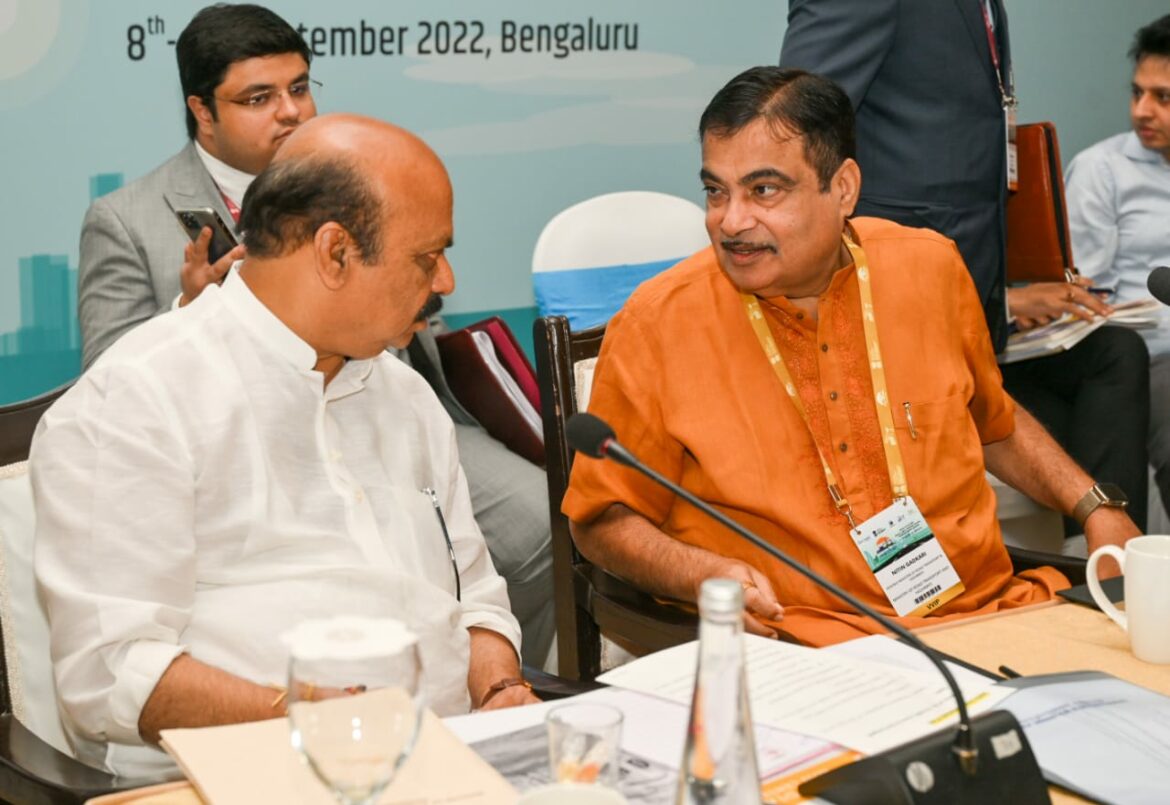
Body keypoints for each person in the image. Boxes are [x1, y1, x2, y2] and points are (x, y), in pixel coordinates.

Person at [34, 113, 540, 777]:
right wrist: (313, 715)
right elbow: (112, 672)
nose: (445, 280)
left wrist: (499, 689)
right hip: (243, 772)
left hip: (450, 760)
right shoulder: (138, 400)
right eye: (427, 256)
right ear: (334, 253)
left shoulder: (404, 395)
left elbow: (474, 597)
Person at [562, 67, 1139, 647]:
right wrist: (699, 575)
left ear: (842, 188)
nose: (731, 222)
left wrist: (1096, 507)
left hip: (987, 612)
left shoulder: (930, 268)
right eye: (716, 191)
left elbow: (994, 426)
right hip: (805, 643)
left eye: (764, 190)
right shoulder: (659, 322)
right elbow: (599, 521)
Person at [76, 3, 553, 667]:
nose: (290, 112)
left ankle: (472, 669)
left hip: (388, 408)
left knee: (545, 525)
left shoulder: (361, 169)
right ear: (202, 111)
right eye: (259, 98)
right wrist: (192, 307)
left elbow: (417, 302)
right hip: (247, 435)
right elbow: (107, 373)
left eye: (299, 88)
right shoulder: (125, 219)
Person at [779, 0, 1151, 536]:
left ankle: (1107, 556)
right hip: (887, 318)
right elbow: (795, 131)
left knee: (1113, 354)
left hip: (976, 308)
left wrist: (1004, 301)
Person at [1065, 13, 1170, 513]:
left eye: (1163, 97)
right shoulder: (1101, 170)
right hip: (1150, 358)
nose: (1142, 110)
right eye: (1137, 92)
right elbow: (1085, 297)